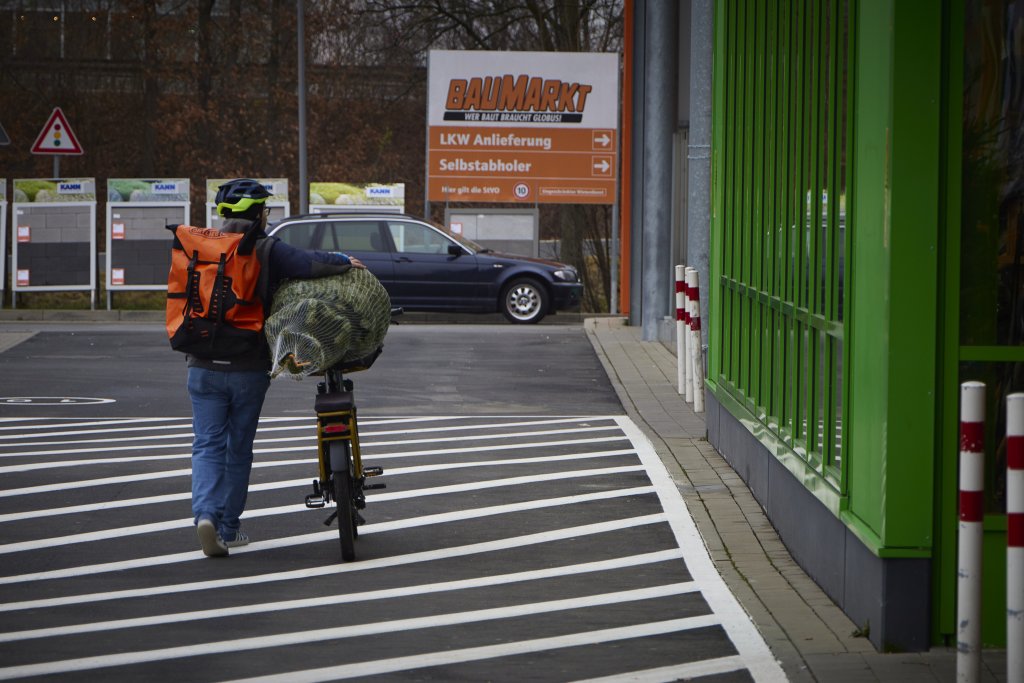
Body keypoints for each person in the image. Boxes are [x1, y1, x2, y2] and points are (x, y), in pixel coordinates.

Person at [185, 178, 365, 558]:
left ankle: (205, 515)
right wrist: (344, 261)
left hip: (201, 365)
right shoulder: (266, 248)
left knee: (206, 444)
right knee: (238, 449)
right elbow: (309, 264)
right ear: (257, 215)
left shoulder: (202, 245)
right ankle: (229, 527)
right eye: (264, 209)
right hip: (249, 368)